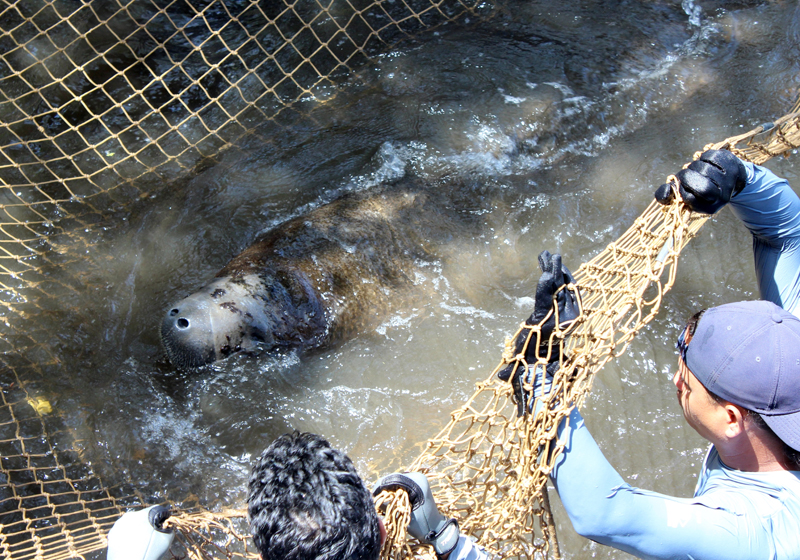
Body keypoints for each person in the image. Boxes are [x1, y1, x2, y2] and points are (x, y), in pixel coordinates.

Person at [506, 149, 800, 559]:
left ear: (732, 418)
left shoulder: (750, 531)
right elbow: (787, 234)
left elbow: (606, 514)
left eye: (687, 381)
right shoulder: (791, 359)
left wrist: (538, 379)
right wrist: (739, 178)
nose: (675, 381)